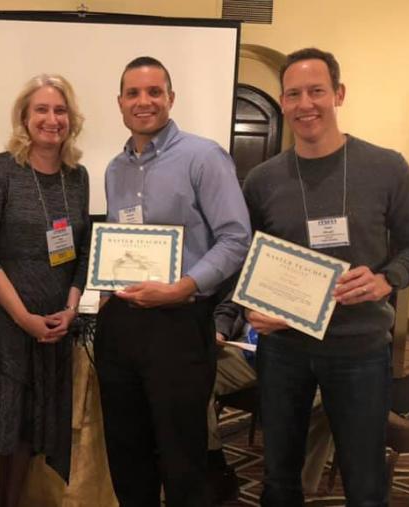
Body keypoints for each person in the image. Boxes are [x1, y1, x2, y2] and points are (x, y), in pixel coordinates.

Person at [243, 47, 409, 506]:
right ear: (282, 103)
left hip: (359, 347)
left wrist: (388, 280)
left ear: (338, 94)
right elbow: (248, 259)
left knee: (363, 482)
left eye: (317, 91)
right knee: (279, 476)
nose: (306, 104)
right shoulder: (262, 180)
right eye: (294, 94)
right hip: (283, 350)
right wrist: (250, 307)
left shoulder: (387, 167)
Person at [95, 56, 251, 506]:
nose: (144, 102)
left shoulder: (204, 157)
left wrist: (184, 286)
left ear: (170, 98)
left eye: (154, 92)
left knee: (183, 457)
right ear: (120, 103)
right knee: (127, 453)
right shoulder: (114, 168)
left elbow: (236, 237)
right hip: (122, 327)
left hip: (180, 327)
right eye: (133, 93)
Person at [0, 74, 90, 507]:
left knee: (27, 431)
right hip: (5, 323)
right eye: (41, 109)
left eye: (60, 110)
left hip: (54, 325)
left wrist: (70, 310)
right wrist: (23, 319)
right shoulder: (0, 168)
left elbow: (83, 252)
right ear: (24, 117)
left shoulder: (78, 176)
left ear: (71, 120)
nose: (51, 119)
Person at [208, 304, 333, 503]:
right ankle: (213, 466)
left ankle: (296, 486)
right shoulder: (257, 271)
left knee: (324, 399)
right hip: (246, 352)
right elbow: (230, 306)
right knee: (193, 379)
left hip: (305, 357)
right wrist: (220, 331)